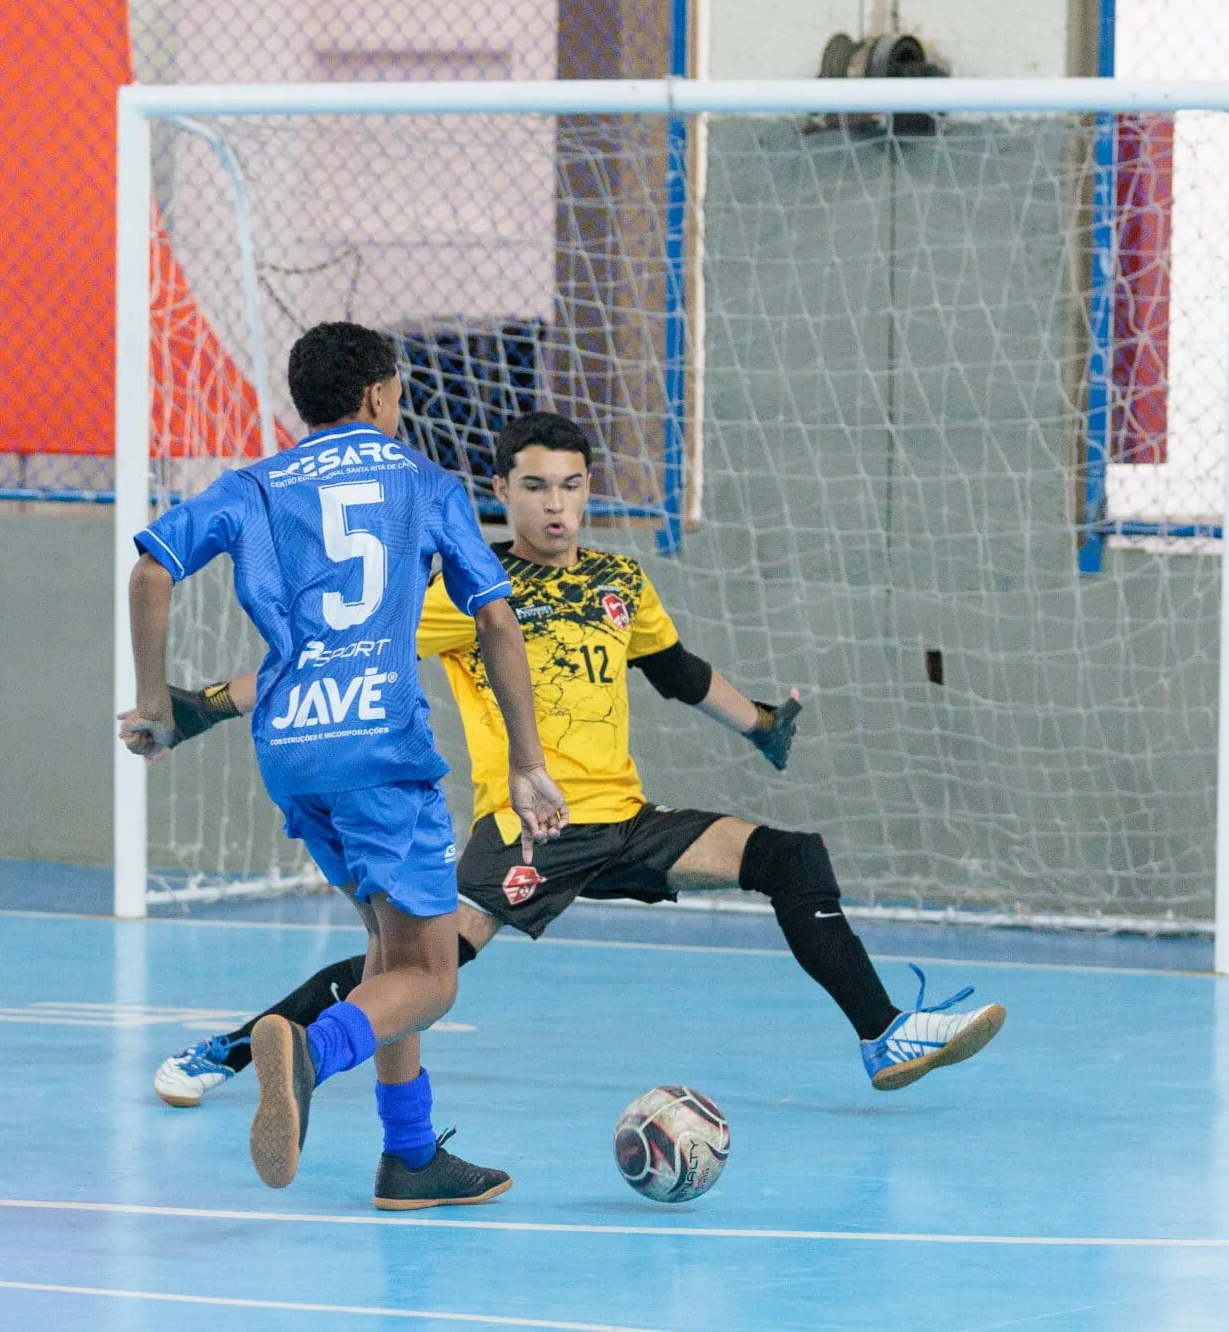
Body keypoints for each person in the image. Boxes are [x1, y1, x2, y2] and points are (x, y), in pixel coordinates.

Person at [148, 410, 1005, 1113]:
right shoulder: (464, 589)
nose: (555, 505)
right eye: (533, 486)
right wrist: (201, 707)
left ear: (588, 488)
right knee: (419, 965)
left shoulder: (620, 582)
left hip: (626, 823)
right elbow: (323, 655)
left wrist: (762, 725)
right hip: (530, 827)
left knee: (792, 857)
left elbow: (677, 673)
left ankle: (883, 1031)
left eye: (570, 485)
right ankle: (238, 1049)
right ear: (500, 492)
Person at [120, 323, 567, 1210]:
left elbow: (149, 571)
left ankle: (409, 1155)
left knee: (388, 945)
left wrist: (157, 703)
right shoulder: (425, 484)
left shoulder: (256, 483)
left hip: (290, 746)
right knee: (432, 976)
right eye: (398, 393)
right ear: (375, 396)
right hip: (379, 749)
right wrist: (527, 760)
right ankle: (310, 1053)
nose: (400, 407)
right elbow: (498, 621)